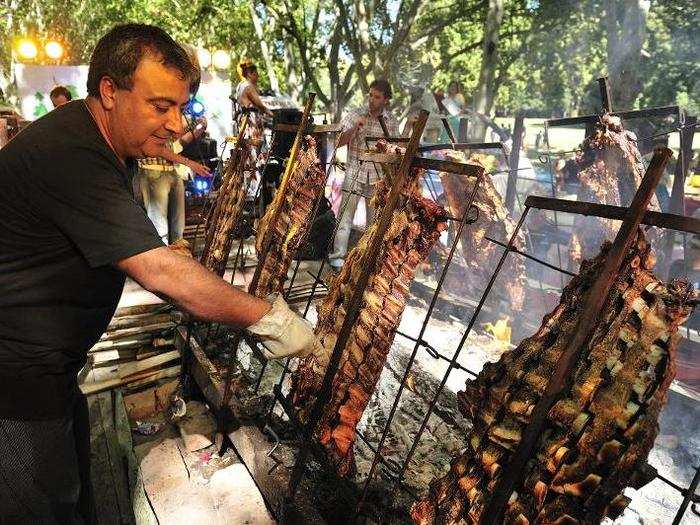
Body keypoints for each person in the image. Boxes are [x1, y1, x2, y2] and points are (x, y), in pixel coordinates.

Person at [0, 24, 320, 523]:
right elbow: (157, 273)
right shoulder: (72, 154)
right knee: (39, 508)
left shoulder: (97, 141)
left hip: (49, 367)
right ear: (109, 91)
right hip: (13, 380)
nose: (175, 124)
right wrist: (269, 318)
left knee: (72, 489)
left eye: (179, 106)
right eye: (160, 105)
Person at [328, 78, 400, 270]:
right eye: (370, 95)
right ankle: (337, 258)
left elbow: (396, 150)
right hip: (354, 172)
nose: (371, 100)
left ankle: (367, 263)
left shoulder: (391, 120)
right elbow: (338, 142)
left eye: (377, 97)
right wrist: (354, 129)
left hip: (377, 178)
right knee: (344, 218)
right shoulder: (355, 113)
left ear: (386, 100)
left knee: (373, 224)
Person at [135, 114, 210, 244]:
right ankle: (162, 259)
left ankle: (177, 254)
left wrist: (199, 129)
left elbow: (176, 145)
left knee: (178, 226)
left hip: (170, 172)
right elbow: (159, 149)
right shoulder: (148, 118)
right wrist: (190, 163)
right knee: (160, 226)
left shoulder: (167, 119)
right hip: (153, 171)